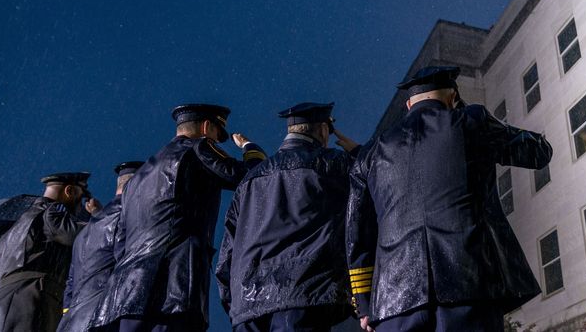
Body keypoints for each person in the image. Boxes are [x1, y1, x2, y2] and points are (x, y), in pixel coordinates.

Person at [346, 66, 553, 332]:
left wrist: (365, 305)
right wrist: (469, 114)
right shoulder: (471, 121)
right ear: (452, 96)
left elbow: (357, 235)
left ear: (408, 104)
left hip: (394, 301)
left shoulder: (370, 153)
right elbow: (538, 153)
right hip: (468, 285)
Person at [92, 103, 266, 332]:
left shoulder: (137, 178)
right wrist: (251, 149)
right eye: (216, 134)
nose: (215, 141)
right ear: (206, 127)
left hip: (127, 292)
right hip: (171, 288)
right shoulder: (197, 149)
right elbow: (250, 177)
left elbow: (120, 244)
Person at [216, 102, 360, 331]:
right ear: (323, 130)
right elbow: (375, 189)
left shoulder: (249, 180)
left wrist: (234, 304)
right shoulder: (334, 164)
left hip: (248, 304)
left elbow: (228, 250)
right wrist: (359, 153)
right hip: (304, 296)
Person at [0, 172, 100, 332]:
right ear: (69, 191)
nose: (83, 205)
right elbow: (87, 236)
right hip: (30, 299)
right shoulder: (50, 213)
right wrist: (98, 215)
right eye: (83, 197)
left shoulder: (10, 230)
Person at [57, 161, 144, 332]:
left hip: (71, 323)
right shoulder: (129, 218)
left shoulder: (84, 233)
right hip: (102, 319)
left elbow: (70, 286)